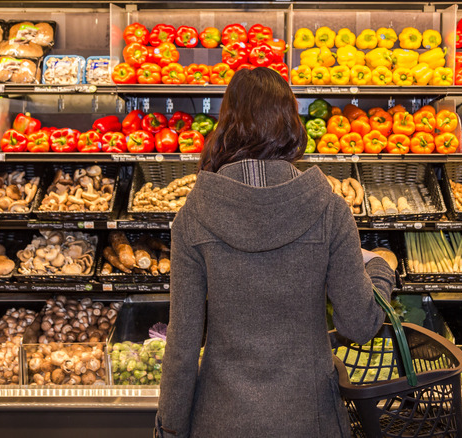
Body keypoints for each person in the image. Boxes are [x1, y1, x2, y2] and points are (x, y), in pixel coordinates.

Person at [156, 67, 395, 438]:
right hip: (309, 418)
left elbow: (182, 348)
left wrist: (169, 429)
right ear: (291, 124)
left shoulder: (193, 215)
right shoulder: (330, 210)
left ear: (227, 124)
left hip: (219, 419)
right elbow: (360, 325)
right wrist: (380, 267)